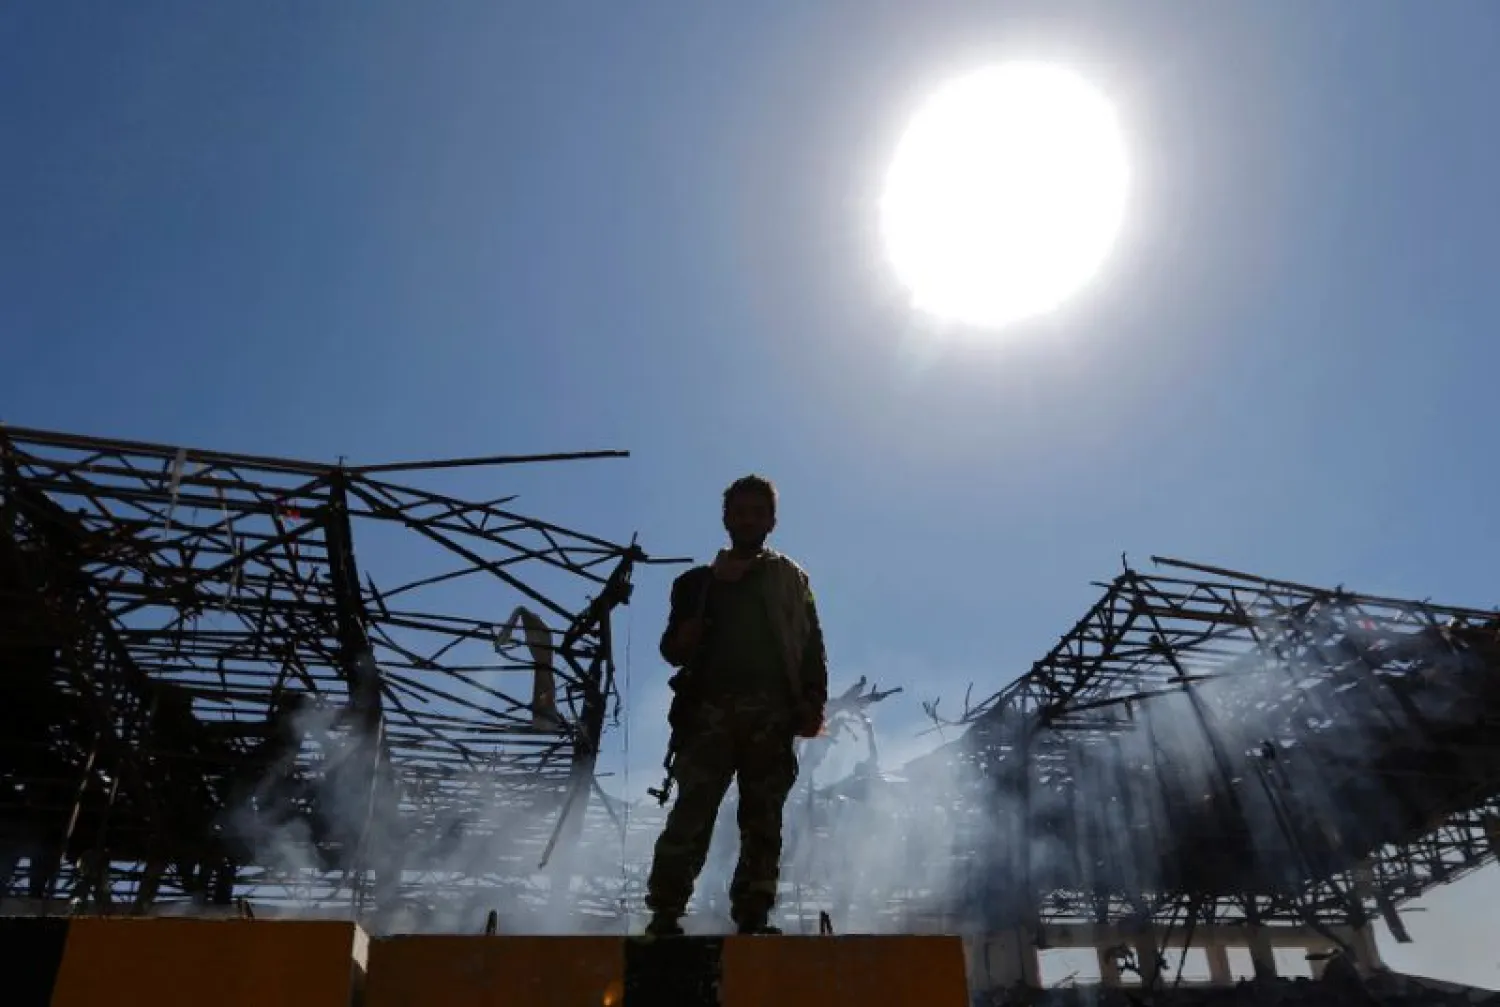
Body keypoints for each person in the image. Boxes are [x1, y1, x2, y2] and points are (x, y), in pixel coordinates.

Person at [643, 474, 828, 936]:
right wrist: (689, 631)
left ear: (771, 521)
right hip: (708, 712)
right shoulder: (695, 584)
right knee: (693, 811)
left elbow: (811, 646)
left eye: (757, 513)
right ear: (726, 519)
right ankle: (665, 911)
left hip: (771, 715)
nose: (748, 520)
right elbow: (671, 649)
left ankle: (753, 914)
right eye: (740, 512)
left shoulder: (793, 580)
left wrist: (812, 702)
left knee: (762, 818)